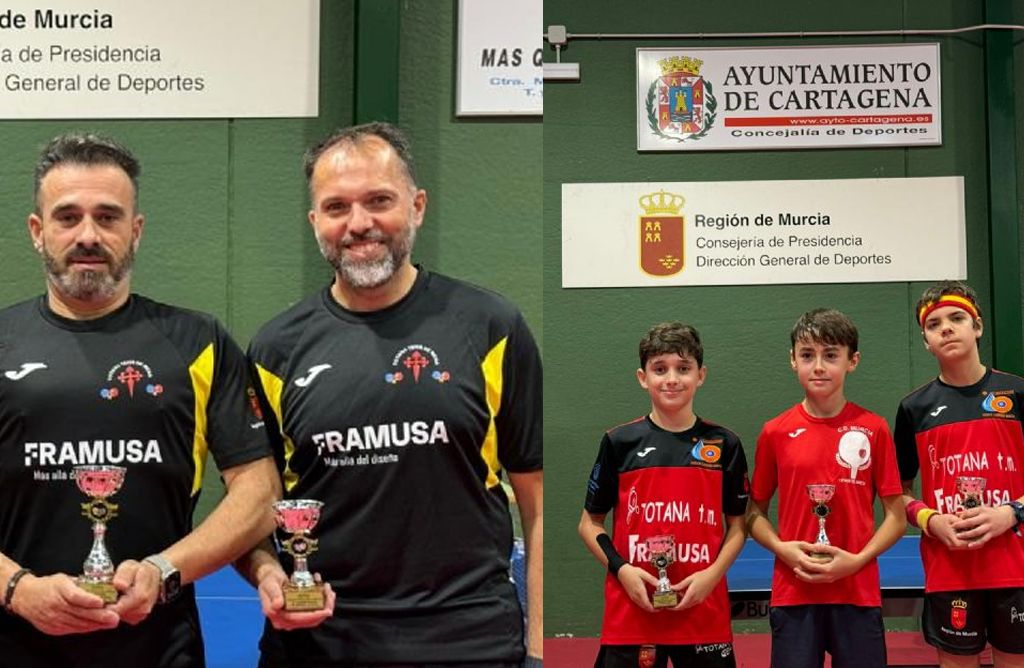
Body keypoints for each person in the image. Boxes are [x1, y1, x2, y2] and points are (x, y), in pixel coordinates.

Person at [239, 122, 543, 668]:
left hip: (469, 641)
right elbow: (249, 507)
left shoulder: (491, 326)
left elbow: (539, 505)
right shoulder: (274, 350)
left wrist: (540, 649)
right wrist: (269, 574)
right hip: (319, 642)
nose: (359, 224)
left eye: (379, 200)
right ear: (315, 222)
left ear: (418, 206)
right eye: (336, 208)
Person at [0, 133, 281, 667]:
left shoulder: (199, 343)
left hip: (161, 648)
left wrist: (164, 569)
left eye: (108, 217)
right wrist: (17, 588)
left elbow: (260, 491)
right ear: (37, 232)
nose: (88, 234)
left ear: (136, 230)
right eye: (67, 217)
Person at [579, 322, 749, 668]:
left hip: (704, 613)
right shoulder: (619, 442)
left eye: (683, 369)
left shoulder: (725, 443)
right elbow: (589, 524)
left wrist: (712, 575)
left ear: (700, 375)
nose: (672, 379)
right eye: (660, 369)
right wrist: (622, 569)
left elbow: (738, 526)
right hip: (632, 614)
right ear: (643, 377)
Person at [746, 308, 905, 668]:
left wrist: (857, 561)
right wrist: (784, 550)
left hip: (858, 591)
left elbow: (896, 516)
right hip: (794, 592)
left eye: (830, 355)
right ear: (793, 361)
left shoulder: (875, 429)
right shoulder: (775, 431)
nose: (818, 366)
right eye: (807, 355)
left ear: (853, 361)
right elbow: (754, 512)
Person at [895, 281, 1024, 668]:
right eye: (934, 325)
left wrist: (1011, 512)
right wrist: (930, 520)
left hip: (1015, 567)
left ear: (978, 327)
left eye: (956, 318)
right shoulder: (914, 408)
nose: (946, 328)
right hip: (950, 569)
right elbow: (898, 493)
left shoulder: (1016, 393)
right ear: (926, 341)